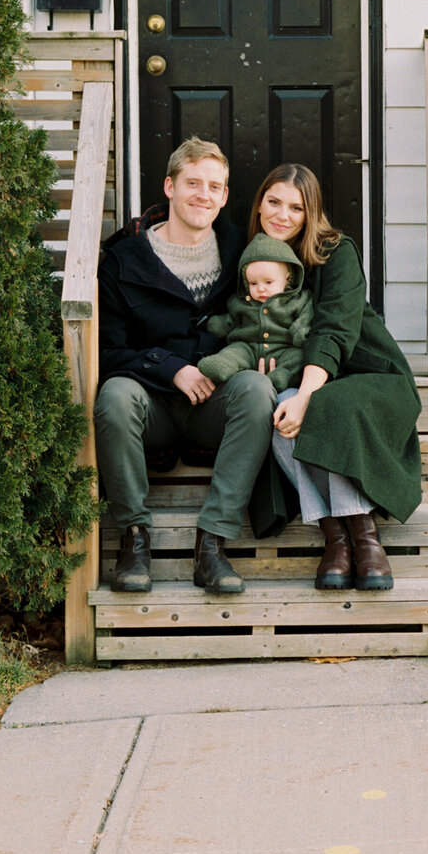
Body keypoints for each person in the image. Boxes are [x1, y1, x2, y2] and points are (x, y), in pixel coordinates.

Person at [93, 138, 277, 597]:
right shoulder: (123, 260)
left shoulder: (243, 252)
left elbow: (278, 310)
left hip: (213, 407)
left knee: (256, 389)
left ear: (226, 195)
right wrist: (170, 366)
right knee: (113, 395)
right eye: (193, 183)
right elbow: (108, 353)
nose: (204, 195)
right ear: (169, 187)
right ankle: (133, 540)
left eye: (215, 186)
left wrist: (275, 352)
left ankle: (211, 543)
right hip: (150, 405)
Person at [249, 164, 422, 592]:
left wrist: (305, 395)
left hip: (371, 376)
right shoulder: (252, 256)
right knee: (278, 417)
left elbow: (333, 331)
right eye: (274, 202)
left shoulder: (335, 251)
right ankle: (337, 537)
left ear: (311, 214)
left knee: (324, 407)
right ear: (259, 204)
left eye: (296, 207)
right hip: (306, 378)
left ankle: (364, 539)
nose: (283, 215)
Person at [197, 233, 313, 388]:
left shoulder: (297, 300)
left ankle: (283, 375)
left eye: (268, 282)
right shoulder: (240, 303)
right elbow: (231, 320)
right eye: (253, 283)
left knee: (299, 356)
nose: (261, 289)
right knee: (234, 351)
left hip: (283, 350)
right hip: (248, 347)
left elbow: (305, 318)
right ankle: (225, 364)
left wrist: (301, 331)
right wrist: (219, 324)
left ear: (287, 278)